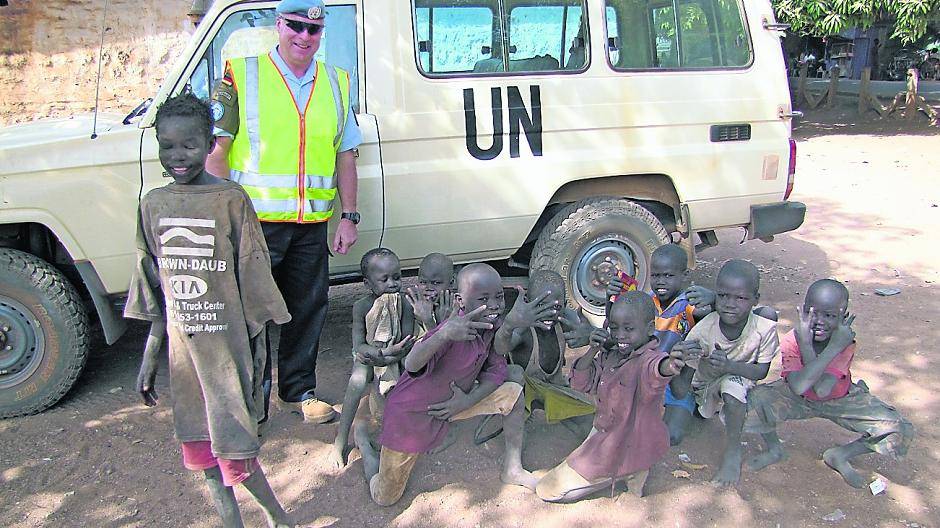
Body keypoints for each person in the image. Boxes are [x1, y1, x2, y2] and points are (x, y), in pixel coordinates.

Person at [126, 93, 293, 527]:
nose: (177, 156)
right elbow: (156, 287)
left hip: (227, 351)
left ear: (209, 144)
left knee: (236, 448)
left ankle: (278, 518)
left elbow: (255, 277)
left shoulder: (230, 201)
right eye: (167, 145)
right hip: (184, 358)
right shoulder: (153, 205)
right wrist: (149, 358)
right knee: (201, 450)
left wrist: (259, 358)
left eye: (189, 145)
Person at [206, 0, 363, 424]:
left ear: (321, 33)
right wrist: (221, 221)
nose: (303, 37)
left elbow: (345, 155)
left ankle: (298, 393)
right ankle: (248, 402)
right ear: (279, 25)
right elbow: (217, 154)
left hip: (311, 225)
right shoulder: (244, 74)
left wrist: (348, 216)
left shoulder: (336, 82)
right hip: (253, 226)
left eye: (313, 30)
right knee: (249, 317)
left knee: (307, 309)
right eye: (295, 26)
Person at [353, 264, 537, 506]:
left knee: (513, 392)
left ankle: (513, 468)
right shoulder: (451, 330)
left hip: (454, 405)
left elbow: (496, 371)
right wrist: (441, 334)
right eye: (484, 298)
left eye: (499, 297)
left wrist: (466, 402)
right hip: (412, 419)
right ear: (461, 301)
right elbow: (412, 363)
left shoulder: (491, 326)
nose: (494, 304)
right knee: (385, 498)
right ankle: (365, 445)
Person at [746, 279, 913, 488]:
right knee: (751, 402)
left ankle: (840, 455)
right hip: (798, 397)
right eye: (813, 313)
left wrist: (834, 346)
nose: (820, 321)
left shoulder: (844, 341)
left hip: (840, 398)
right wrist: (808, 344)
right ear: (803, 311)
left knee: (899, 428)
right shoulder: (794, 339)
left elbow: (823, 390)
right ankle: (774, 449)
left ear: (843, 317)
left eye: (830, 316)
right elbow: (799, 387)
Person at [535, 291, 686, 502]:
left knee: (547, 490)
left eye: (629, 329)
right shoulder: (613, 354)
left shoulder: (649, 359)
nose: (620, 335)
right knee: (555, 475)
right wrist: (592, 349)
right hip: (606, 433)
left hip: (623, 444)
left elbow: (657, 370)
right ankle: (626, 469)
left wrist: (671, 365)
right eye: (614, 328)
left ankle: (628, 471)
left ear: (650, 329)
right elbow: (581, 384)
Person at [673, 259, 779, 486]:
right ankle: (710, 411)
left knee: (737, 386)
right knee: (726, 390)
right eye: (722, 296)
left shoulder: (763, 328)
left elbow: (761, 371)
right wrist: (677, 361)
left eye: (740, 298)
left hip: (741, 380)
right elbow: (682, 387)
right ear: (715, 296)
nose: (730, 304)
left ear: (755, 300)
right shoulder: (703, 331)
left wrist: (728, 366)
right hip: (706, 387)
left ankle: (733, 452)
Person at [606, 244, 715, 445]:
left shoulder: (691, 305)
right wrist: (610, 300)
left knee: (670, 436)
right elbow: (615, 331)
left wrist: (714, 300)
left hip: (676, 382)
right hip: (644, 377)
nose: (661, 282)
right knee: (619, 423)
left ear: (684, 275)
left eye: (668, 276)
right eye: (656, 275)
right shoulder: (645, 303)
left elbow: (720, 319)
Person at [331, 248, 415, 468]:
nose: (392, 284)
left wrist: (389, 358)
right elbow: (359, 345)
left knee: (412, 374)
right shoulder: (361, 307)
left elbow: (407, 340)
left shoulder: (404, 303)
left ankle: (407, 433)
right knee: (357, 381)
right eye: (384, 279)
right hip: (370, 354)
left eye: (397, 277)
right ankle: (340, 441)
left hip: (396, 353)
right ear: (368, 284)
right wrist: (380, 355)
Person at [494, 269, 595, 427]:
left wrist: (591, 334)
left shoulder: (566, 319)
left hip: (552, 389)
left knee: (589, 412)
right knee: (515, 387)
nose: (548, 313)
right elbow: (500, 348)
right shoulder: (522, 329)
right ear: (527, 301)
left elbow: (599, 337)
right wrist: (508, 326)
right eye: (540, 305)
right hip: (523, 391)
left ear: (565, 305)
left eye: (556, 306)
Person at [406, 253, 457, 337]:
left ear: (451, 283)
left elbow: (445, 349)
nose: (428, 288)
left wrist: (439, 323)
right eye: (423, 282)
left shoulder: (456, 309)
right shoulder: (412, 309)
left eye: (436, 283)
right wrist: (427, 320)